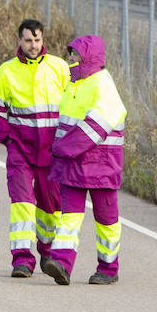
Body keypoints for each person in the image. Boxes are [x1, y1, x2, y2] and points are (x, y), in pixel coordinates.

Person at [0, 19, 70, 278]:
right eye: (27, 40)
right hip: (20, 151)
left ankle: (47, 252)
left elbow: (72, 108)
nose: (33, 45)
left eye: (36, 40)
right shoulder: (6, 71)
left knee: (51, 206)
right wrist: (9, 140)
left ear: (43, 40)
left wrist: (66, 143)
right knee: (22, 203)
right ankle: (22, 260)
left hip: (53, 152)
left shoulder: (59, 67)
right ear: (19, 42)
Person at [44, 35, 128, 286]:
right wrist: (60, 151)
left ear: (89, 56)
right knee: (69, 216)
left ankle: (108, 268)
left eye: (76, 54)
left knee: (106, 220)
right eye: (71, 54)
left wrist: (62, 149)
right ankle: (60, 263)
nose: (71, 58)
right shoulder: (75, 84)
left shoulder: (103, 84)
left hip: (101, 165)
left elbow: (96, 126)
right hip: (74, 164)